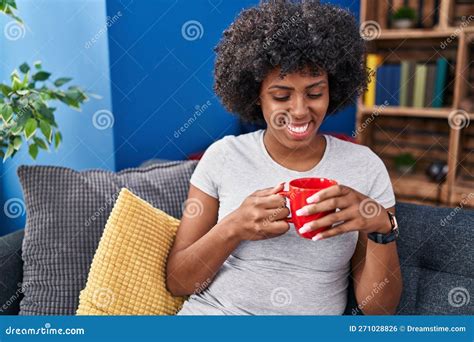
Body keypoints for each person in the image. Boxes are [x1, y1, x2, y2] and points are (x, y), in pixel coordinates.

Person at [166, 0, 402, 315]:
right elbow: (179, 282)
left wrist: (381, 227)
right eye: (281, 96)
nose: (301, 110)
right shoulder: (223, 156)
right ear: (255, 95)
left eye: (315, 93)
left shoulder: (364, 166)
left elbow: (380, 311)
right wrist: (235, 226)